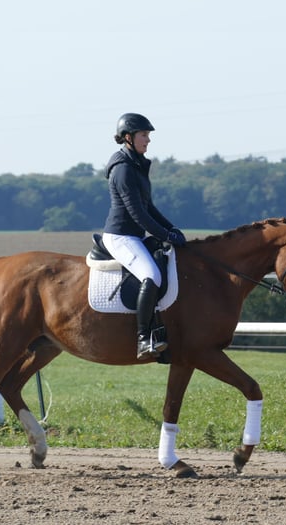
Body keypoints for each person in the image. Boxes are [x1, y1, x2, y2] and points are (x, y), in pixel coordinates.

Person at [102, 113, 186, 360]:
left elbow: (149, 207)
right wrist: (165, 234)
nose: (148, 140)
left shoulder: (137, 164)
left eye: (148, 135)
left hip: (134, 235)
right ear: (128, 137)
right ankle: (143, 338)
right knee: (152, 274)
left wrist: (172, 228)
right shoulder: (123, 169)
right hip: (121, 237)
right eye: (144, 135)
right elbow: (137, 214)